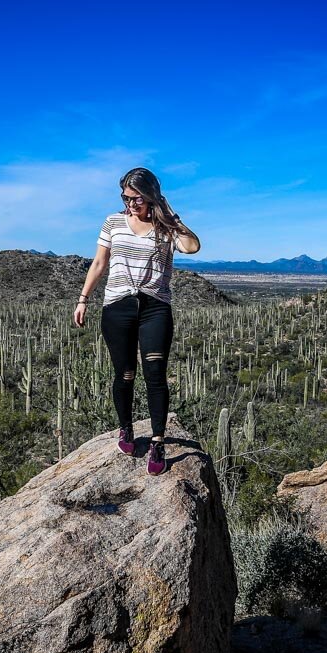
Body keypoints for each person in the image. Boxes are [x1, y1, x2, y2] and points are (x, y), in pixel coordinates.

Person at [73, 167, 200, 475]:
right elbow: (100, 262)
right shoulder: (113, 222)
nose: (131, 203)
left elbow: (191, 247)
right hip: (117, 306)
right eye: (126, 197)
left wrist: (169, 213)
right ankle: (126, 427)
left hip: (155, 307)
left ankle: (157, 442)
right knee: (125, 373)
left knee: (155, 374)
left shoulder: (166, 226)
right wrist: (83, 298)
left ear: (152, 196)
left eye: (137, 198)